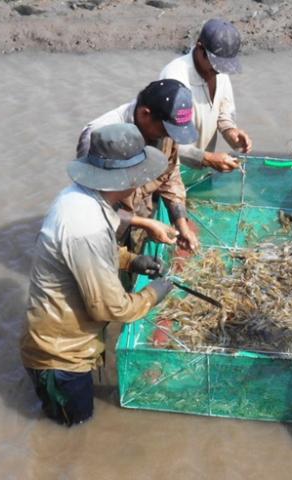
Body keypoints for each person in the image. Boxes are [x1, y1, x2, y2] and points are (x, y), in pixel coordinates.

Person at [22, 124, 175, 426]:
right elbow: (110, 307)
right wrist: (154, 293)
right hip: (61, 359)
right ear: (129, 178)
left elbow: (86, 257)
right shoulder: (85, 224)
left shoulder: (81, 198)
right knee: (73, 431)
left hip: (67, 343)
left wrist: (132, 261)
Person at [77, 79, 200, 252]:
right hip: (104, 233)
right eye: (165, 131)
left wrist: (181, 224)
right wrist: (145, 224)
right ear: (144, 114)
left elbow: (170, 176)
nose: (168, 137)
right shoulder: (100, 137)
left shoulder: (166, 131)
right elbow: (92, 205)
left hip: (141, 220)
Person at [159, 18, 252, 182]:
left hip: (201, 174)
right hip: (172, 179)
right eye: (215, 65)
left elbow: (224, 115)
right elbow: (168, 141)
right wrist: (208, 158)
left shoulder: (220, 71)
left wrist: (233, 134)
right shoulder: (175, 78)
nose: (218, 71)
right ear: (200, 47)